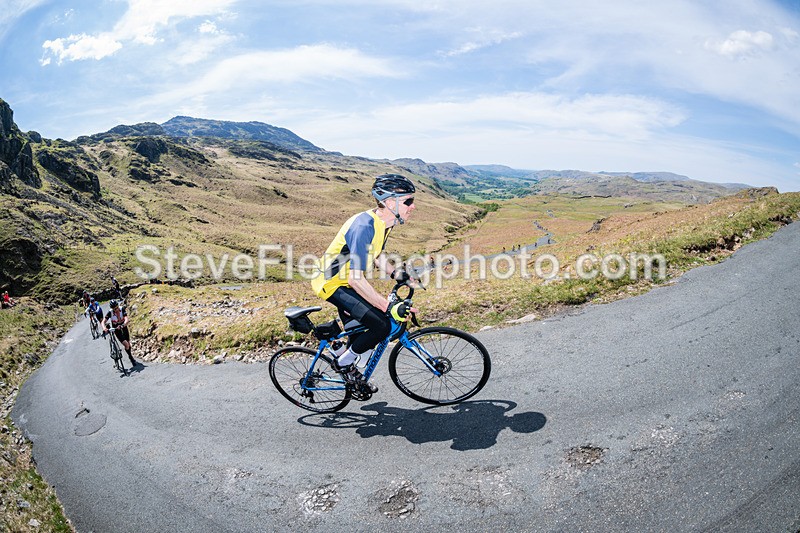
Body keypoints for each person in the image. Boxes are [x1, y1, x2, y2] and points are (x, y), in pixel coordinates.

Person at [310, 173, 419, 392]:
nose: (413, 206)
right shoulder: (364, 226)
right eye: (408, 201)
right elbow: (355, 278)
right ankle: (342, 364)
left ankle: (342, 353)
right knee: (382, 324)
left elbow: (376, 254)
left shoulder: (383, 224)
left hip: (345, 281)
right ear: (390, 202)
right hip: (331, 283)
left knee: (362, 329)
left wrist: (397, 274)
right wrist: (389, 306)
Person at [102, 299, 137, 367]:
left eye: (117, 307)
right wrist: (104, 328)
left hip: (123, 327)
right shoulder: (110, 312)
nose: (116, 309)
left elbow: (126, 319)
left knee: (129, 344)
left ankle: (130, 355)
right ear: (112, 309)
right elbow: (103, 321)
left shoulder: (122, 309)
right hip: (116, 329)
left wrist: (123, 325)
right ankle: (131, 358)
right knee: (126, 345)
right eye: (114, 309)